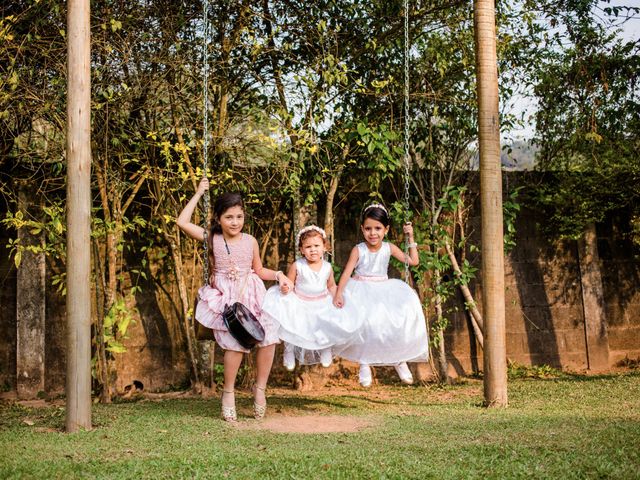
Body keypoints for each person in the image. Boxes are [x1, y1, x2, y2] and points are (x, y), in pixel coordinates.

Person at [176, 177, 293, 422]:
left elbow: (259, 270)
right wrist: (198, 193)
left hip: (252, 292)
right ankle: (228, 392)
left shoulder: (250, 241)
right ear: (219, 218)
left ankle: (259, 388)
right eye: (229, 217)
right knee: (235, 343)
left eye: (239, 217)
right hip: (227, 297)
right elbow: (182, 221)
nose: (235, 222)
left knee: (269, 336)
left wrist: (280, 275)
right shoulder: (212, 238)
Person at [333, 203, 429, 387]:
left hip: (384, 289)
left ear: (386, 229)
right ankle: (364, 363)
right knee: (365, 326)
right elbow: (346, 273)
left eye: (378, 228)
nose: (373, 233)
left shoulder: (389, 248)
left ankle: (399, 361)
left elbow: (414, 261)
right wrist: (339, 293)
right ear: (362, 229)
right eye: (368, 228)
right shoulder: (358, 249)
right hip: (361, 288)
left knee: (395, 322)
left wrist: (410, 237)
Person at [262, 225, 362, 371]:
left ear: (324, 247)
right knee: (292, 326)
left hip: (321, 302)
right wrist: (285, 288)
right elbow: (289, 283)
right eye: (308, 247)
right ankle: (289, 350)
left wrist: (337, 296)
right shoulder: (298, 265)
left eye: (316, 245)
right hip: (300, 301)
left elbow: (331, 286)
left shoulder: (327, 267)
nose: (313, 249)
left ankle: (326, 349)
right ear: (302, 250)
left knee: (327, 325)